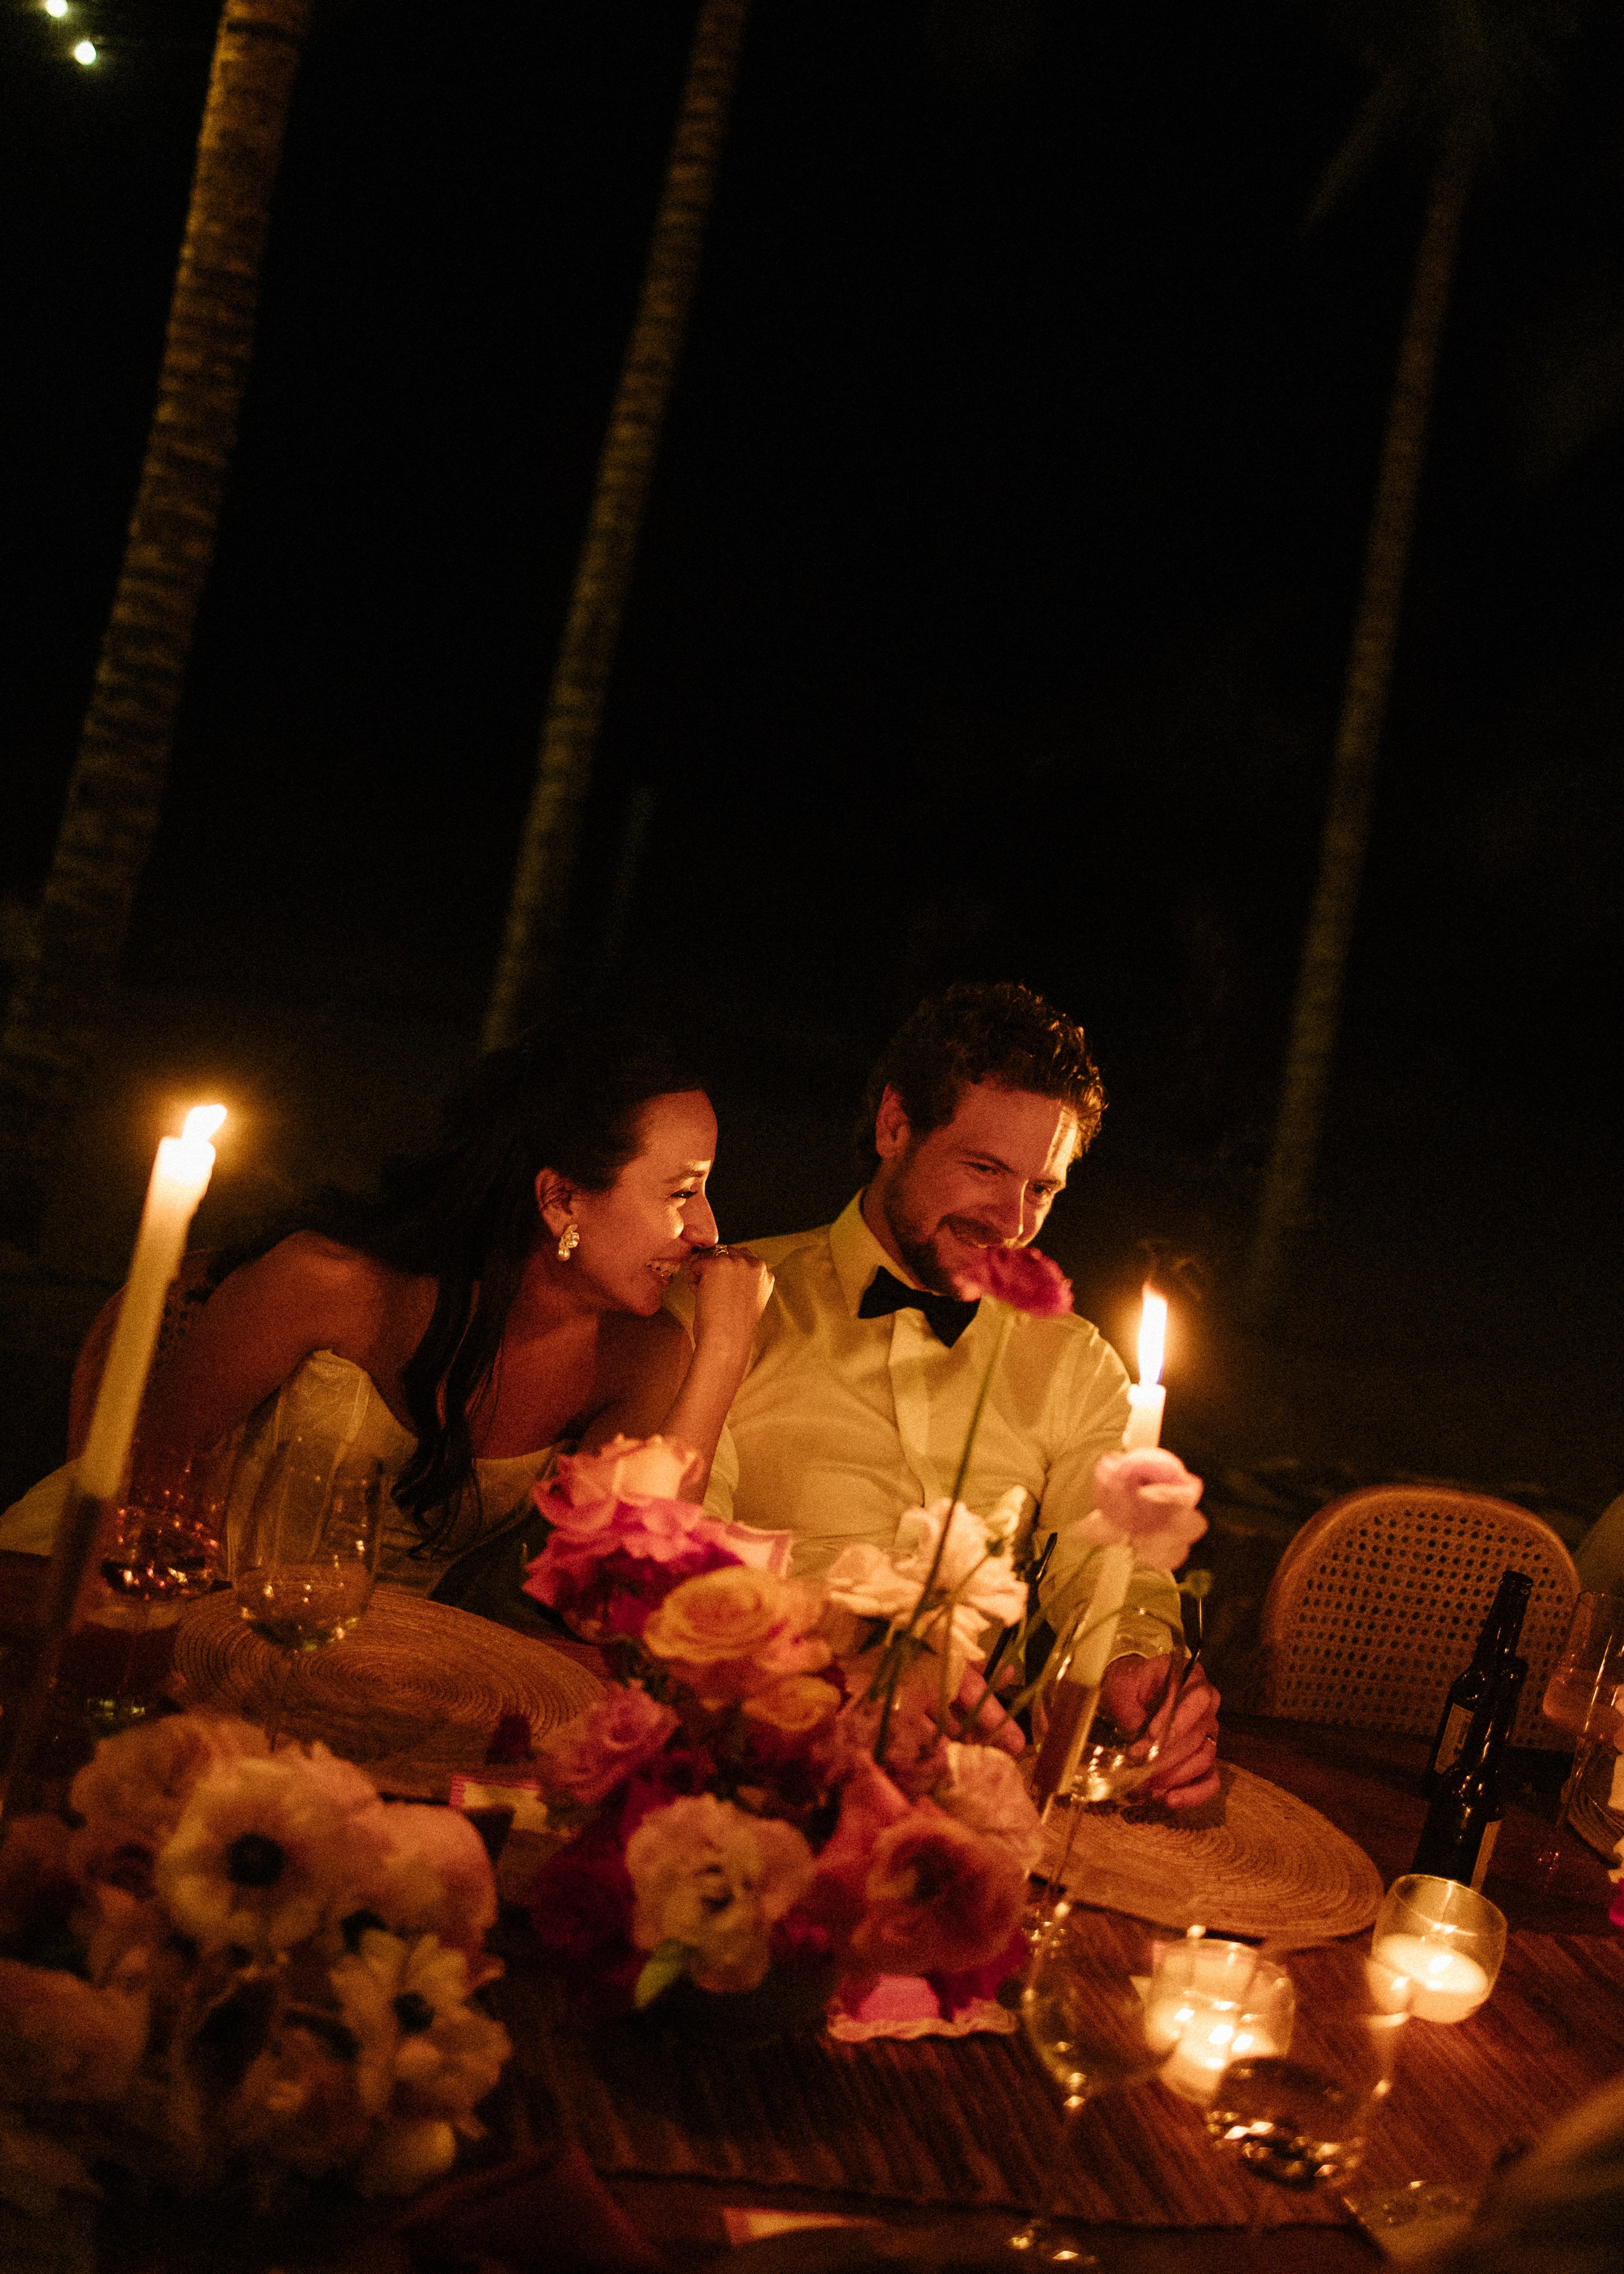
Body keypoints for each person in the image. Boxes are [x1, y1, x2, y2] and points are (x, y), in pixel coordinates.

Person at [0, 1022, 773, 1602]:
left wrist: (722, 1355)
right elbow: (142, 1478)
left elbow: (613, 1598)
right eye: (682, 1191)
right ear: (561, 1198)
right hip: (125, 1593)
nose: (707, 1229)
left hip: (363, 1676)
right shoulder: (331, 1281)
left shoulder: (638, 1354)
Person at [689, 982, 1222, 1806]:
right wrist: (831, 1663)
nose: (1011, 1220)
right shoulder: (730, 1304)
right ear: (895, 1125)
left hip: (959, 1794)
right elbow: (683, 1552)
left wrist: (1134, 1663)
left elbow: (1113, 1566)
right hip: (738, 1752)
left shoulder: (1073, 1363)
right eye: (985, 1168)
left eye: (1041, 1190)